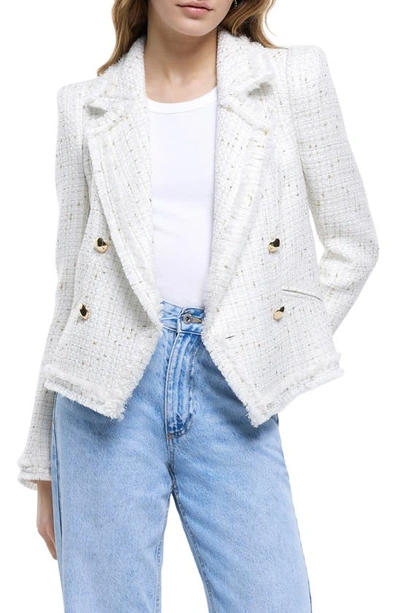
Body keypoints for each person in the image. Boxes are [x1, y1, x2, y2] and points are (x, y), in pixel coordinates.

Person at [17, 0, 379, 611]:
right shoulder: (84, 106)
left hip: (229, 384)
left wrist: (266, 347)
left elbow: (353, 244)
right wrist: (42, 462)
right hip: (103, 394)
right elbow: (73, 291)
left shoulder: (292, 78)